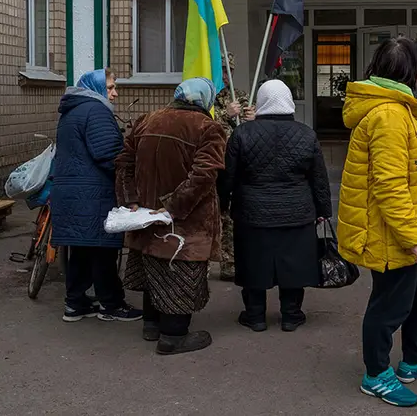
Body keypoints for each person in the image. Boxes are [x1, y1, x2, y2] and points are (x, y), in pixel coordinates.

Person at [336, 38, 417, 409]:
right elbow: (389, 186)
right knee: (389, 309)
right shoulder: (388, 116)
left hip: (413, 231)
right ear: (415, 72)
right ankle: (376, 375)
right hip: (393, 236)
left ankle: (413, 359)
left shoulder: (401, 108)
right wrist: (415, 241)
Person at [114, 77, 227, 355]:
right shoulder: (207, 127)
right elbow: (203, 176)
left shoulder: (147, 120)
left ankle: (151, 325)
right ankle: (173, 336)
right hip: (185, 221)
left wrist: (131, 199)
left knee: (153, 266)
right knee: (180, 273)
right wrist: (173, 207)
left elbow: (124, 163)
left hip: (144, 215)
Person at [218, 79, 331, 333]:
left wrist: (222, 203)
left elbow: (228, 176)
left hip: (252, 213)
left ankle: (255, 316)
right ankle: (291, 315)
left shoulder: (242, 134)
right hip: (297, 212)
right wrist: (323, 210)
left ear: (262, 102)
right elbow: (319, 178)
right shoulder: (306, 134)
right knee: (294, 265)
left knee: (253, 264)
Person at [51, 69, 141, 323]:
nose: (115, 93)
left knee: (81, 250)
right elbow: (110, 154)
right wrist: (131, 182)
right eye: (110, 87)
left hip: (72, 192)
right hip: (93, 195)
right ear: (96, 88)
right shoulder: (97, 111)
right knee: (103, 251)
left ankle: (75, 303)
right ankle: (111, 304)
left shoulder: (73, 110)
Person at [212, 52, 254, 281]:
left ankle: (229, 264)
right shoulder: (204, 96)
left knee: (229, 217)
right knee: (209, 216)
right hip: (211, 165)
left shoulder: (239, 96)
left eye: (229, 71)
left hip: (234, 166)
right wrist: (224, 114)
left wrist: (252, 118)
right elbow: (202, 125)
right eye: (222, 71)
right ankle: (201, 264)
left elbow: (252, 128)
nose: (226, 76)